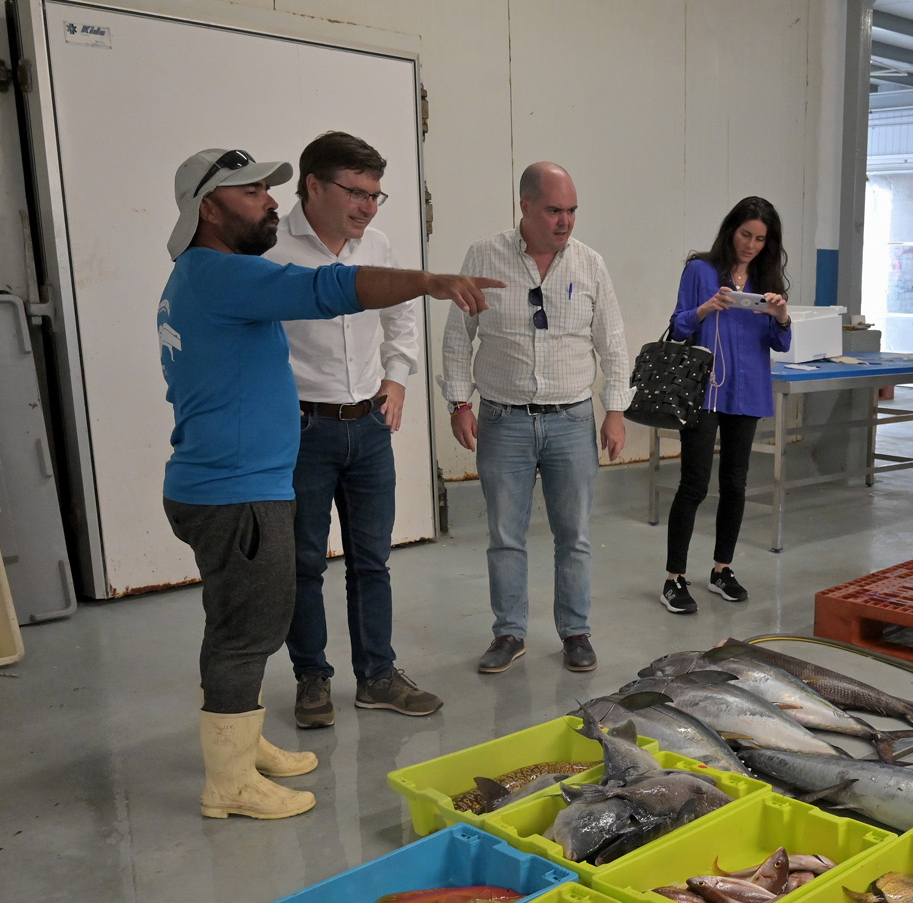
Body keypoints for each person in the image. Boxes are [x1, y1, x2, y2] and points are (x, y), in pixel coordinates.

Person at [159, 147, 498, 820]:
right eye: (250, 192)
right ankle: (229, 782)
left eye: (267, 189)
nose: (268, 201)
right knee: (245, 633)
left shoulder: (198, 275)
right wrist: (430, 281)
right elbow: (328, 290)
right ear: (209, 208)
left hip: (225, 481)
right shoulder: (225, 274)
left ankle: (243, 744)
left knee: (237, 623)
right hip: (237, 489)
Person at [266, 131, 439, 730]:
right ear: (313, 186)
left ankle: (377, 676)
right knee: (303, 562)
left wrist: (396, 380)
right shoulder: (271, 250)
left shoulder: (378, 244)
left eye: (375, 195)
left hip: (368, 426)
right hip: (302, 430)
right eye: (357, 193)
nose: (368, 207)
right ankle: (311, 679)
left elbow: (401, 315)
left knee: (372, 560)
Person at [442, 162, 629, 676]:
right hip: (503, 420)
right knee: (505, 535)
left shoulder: (590, 264)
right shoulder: (484, 257)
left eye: (571, 210)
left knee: (575, 536)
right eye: (553, 210)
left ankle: (576, 631)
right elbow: (458, 336)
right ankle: (509, 632)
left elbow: (613, 344)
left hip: (572, 420)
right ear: (524, 206)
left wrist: (615, 411)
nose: (565, 221)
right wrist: (459, 402)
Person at [659, 197, 792, 613]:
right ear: (731, 230)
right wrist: (705, 308)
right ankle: (674, 579)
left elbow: (781, 343)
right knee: (694, 484)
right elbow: (678, 327)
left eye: (760, 239)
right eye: (745, 235)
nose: (750, 245)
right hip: (704, 391)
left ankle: (722, 569)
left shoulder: (766, 282)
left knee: (736, 484)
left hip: (747, 391)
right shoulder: (700, 270)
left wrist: (782, 316)